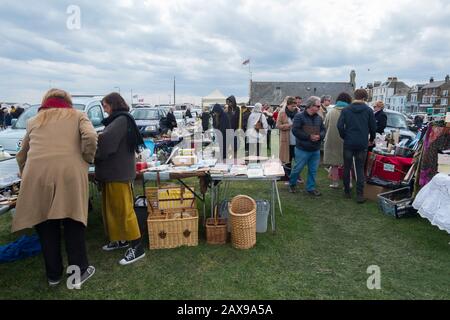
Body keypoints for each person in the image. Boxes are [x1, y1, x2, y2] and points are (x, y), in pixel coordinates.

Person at [12, 88, 98, 288]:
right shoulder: (78, 115)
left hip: (37, 177)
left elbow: (21, 155)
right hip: (69, 175)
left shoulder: (34, 121)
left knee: (46, 226)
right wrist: (86, 158)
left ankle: (54, 276)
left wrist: (25, 174)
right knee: (73, 222)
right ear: (67, 101)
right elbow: (91, 137)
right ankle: (79, 273)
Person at [95, 92, 146, 265]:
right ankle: (121, 239)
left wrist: (92, 148)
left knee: (124, 211)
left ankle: (137, 246)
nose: (105, 110)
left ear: (114, 104)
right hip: (113, 172)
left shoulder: (121, 120)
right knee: (113, 209)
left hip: (118, 173)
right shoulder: (118, 120)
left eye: (106, 106)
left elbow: (106, 143)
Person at [337, 89, 376, 203]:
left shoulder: (346, 109)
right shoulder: (369, 110)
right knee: (359, 168)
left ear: (355, 96)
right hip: (362, 143)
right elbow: (373, 127)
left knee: (347, 167)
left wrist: (345, 136)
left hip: (349, 142)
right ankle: (359, 194)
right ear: (364, 98)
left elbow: (339, 126)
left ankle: (347, 192)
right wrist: (372, 139)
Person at [289, 96, 325, 195]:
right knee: (297, 169)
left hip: (315, 149)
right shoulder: (299, 116)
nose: (319, 108)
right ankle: (292, 184)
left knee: (313, 170)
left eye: (319, 106)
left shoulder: (319, 118)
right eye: (317, 106)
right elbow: (295, 130)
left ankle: (311, 188)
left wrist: (320, 136)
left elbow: (323, 130)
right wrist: (309, 137)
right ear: (310, 105)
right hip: (302, 149)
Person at [324, 92, 352, 189]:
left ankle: (335, 183)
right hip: (347, 140)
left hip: (332, 139)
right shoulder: (350, 111)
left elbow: (326, 125)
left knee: (334, 163)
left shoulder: (331, 111)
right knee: (347, 164)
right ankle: (348, 183)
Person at [276, 96, 298, 167]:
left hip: (296, 141)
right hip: (286, 141)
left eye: (295, 106)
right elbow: (278, 125)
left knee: (298, 161)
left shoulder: (298, 112)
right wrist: (289, 125)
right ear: (288, 105)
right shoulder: (282, 113)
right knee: (286, 160)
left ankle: (296, 176)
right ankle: (286, 176)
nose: (294, 107)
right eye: (292, 106)